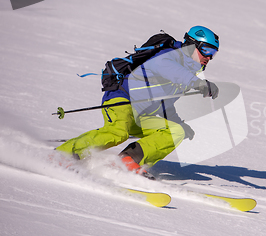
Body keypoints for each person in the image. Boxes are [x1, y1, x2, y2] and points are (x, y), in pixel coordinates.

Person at [56, 26, 220, 179]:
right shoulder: (170, 55)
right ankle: (62, 155)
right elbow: (167, 68)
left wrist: (178, 123)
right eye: (206, 50)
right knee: (118, 132)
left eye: (213, 52)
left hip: (142, 113)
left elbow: (165, 104)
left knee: (176, 131)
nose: (209, 57)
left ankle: (127, 161)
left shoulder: (187, 74)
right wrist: (197, 83)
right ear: (192, 45)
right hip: (121, 98)